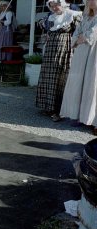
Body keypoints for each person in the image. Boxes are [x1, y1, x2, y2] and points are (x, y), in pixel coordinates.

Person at [36, 0, 82, 122]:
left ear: (62, 4)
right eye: (52, 5)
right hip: (50, 50)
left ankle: (60, 109)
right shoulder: (50, 17)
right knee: (49, 77)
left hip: (65, 48)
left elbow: (79, 31)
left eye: (57, 4)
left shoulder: (72, 14)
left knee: (62, 77)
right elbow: (45, 28)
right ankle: (48, 107)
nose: (55, 7)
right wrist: (46, 35)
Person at [60, 0, 97, 134]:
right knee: (79, 83)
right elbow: (76, 34)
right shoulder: (86, 17)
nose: (90, 1)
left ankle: (93, 120)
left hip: (94, 54)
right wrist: (79, 38)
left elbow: (92, 34)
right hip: (81, 54)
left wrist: (84, 37)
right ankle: (80, 116)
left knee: (92, 83)